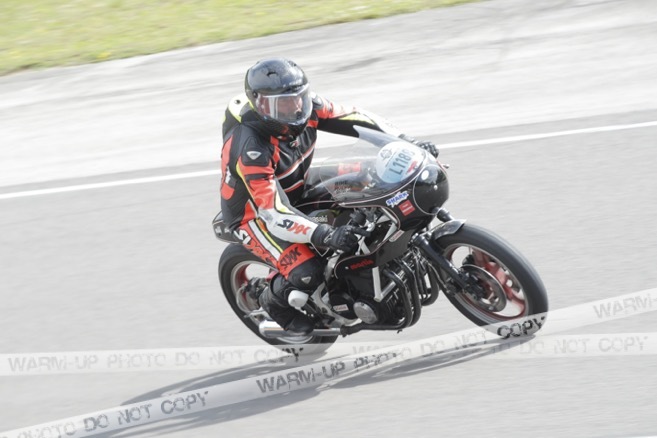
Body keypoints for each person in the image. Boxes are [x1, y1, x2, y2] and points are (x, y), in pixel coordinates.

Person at [220, 57, 438, 335]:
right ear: (260, 105)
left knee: (375, 178)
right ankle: (272, 301)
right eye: (282, 104)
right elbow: (274, 212)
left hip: (297, 185)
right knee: (308, 273)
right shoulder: (250, 148)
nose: (294, 108)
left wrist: (406, 141)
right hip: (255, 215)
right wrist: (325, 234)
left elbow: (355, 117)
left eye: (298, 98)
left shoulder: (307, 106)